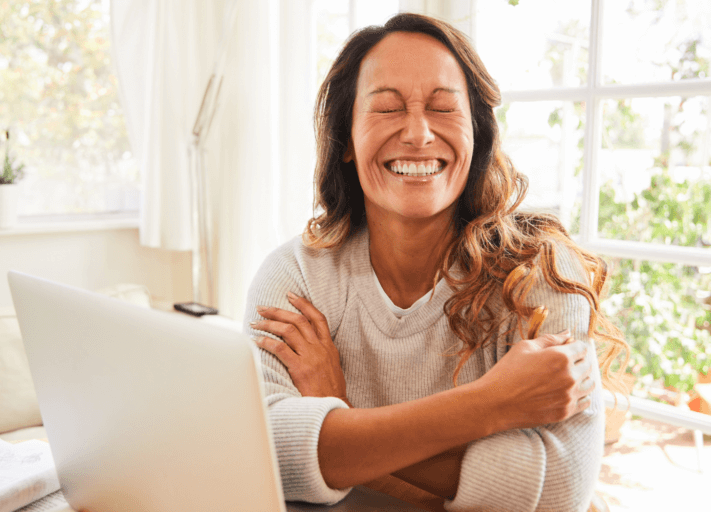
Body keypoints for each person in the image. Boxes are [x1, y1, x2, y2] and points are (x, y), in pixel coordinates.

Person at [245, 13, 627, 512]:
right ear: (345, 139)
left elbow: (557, 490)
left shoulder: (539, 273)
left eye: (444, 108)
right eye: (387, 108)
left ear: (477, 135)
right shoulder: (296, 277)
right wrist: (495, 403)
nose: (419, 133)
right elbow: (267, 452)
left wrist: (343, 421)